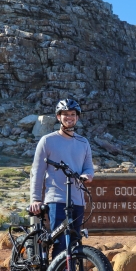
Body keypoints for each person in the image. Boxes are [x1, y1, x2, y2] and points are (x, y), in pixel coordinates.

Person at [30, 99, 94, 258]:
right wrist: (36, 199)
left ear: (77, 117)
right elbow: (37, 171)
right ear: (58, 117)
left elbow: (88, 167)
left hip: (78, 200)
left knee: (74, 241)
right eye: (65, 114)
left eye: (73, 114)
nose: (69, 117)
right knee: (61, 244)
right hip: (56, 199)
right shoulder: (47, 141)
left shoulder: (83, 142)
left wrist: (87, 175)